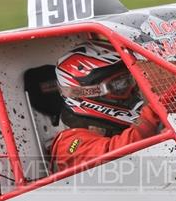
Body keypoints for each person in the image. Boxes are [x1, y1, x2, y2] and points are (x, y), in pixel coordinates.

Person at [49, 41, 160, 172]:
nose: (131, 90)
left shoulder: (118, 127)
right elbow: (114, 154)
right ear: (87, 94)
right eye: (120, 85)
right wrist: (155, 113)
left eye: (130, 80)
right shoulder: (69, 145)